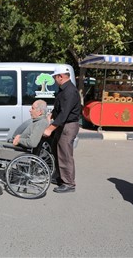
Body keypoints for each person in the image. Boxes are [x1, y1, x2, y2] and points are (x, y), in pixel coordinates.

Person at [0, 99, 49, 186]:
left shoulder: (40, 123)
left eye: (33, 108)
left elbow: (33, 143)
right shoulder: (39, 121)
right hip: (21, 147)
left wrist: (19, 140)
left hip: (23, 151)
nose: (30, 110)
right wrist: (19, 137)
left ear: (40, 112)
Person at [43, 65, 81, 193]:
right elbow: (59, 107)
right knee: (55, 149)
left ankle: (69, 183)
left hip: (68, 125)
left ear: (60, 76)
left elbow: (64, 114)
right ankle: (60, 177)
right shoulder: (63, 89)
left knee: (65, 154)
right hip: (62, 124)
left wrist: (50, 128)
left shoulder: (70, 91)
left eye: (55, 77)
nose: (54, 79)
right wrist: (51, 115)